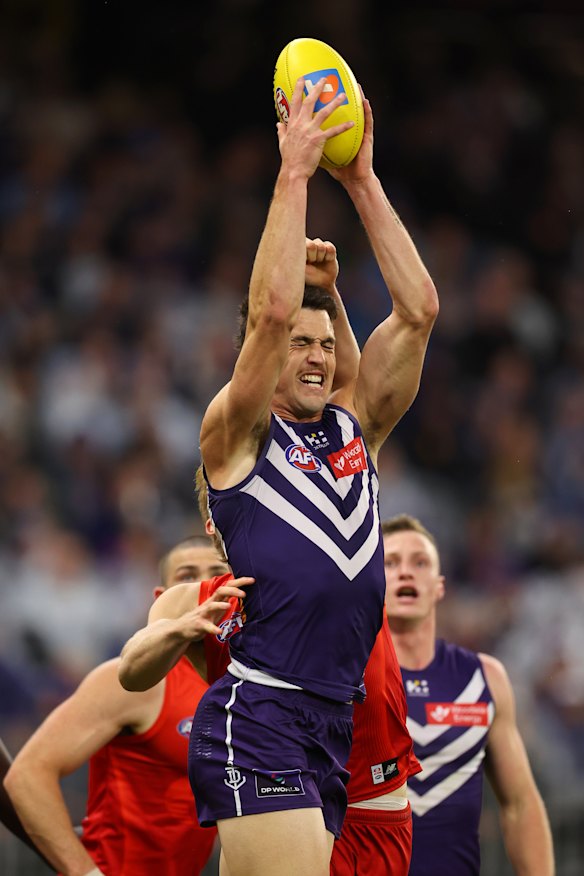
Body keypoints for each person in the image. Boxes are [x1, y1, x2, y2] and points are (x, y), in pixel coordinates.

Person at [186, 72, 438, 876]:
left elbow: (420, 310)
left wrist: (359, 178)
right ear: (263, 359)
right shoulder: (236, 437)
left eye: (327, 342)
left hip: (331, 721)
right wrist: (293, 173)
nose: (319, 353)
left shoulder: (352, 429)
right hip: (264, 711)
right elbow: (266, 315)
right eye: (302, 342)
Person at [2, 536, 248, 876]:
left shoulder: (238, 683)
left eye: (216, 576)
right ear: (164, 599)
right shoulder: (132, 683)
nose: (204, 591)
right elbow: (26, 776)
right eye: (188, 577)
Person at [381, 514, 555, 876]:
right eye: (390, 562)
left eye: (420, 562)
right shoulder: (341, 677)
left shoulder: (484, 679)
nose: (406, 572)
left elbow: (521, 804)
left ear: (440, 586)